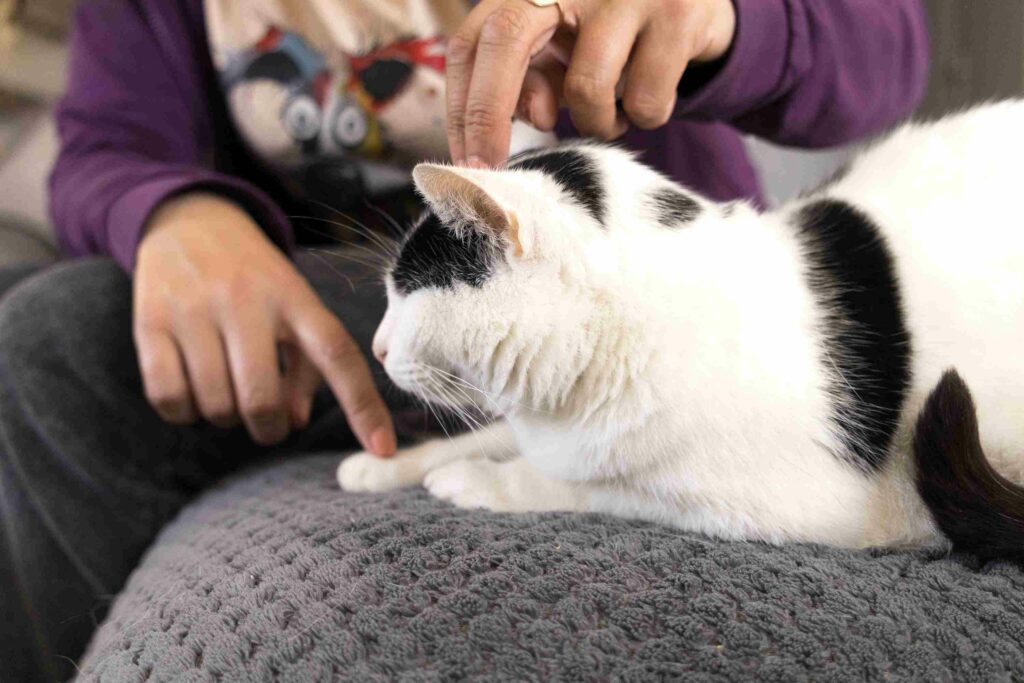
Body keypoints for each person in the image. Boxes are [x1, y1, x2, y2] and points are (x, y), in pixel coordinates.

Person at [0, 0, 928, 678]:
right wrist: (173, 213)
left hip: (620, 305)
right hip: (322, 282)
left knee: (47, 342)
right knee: (29, 320)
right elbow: (102, 144)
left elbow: (882, 49)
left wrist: (726, 19)